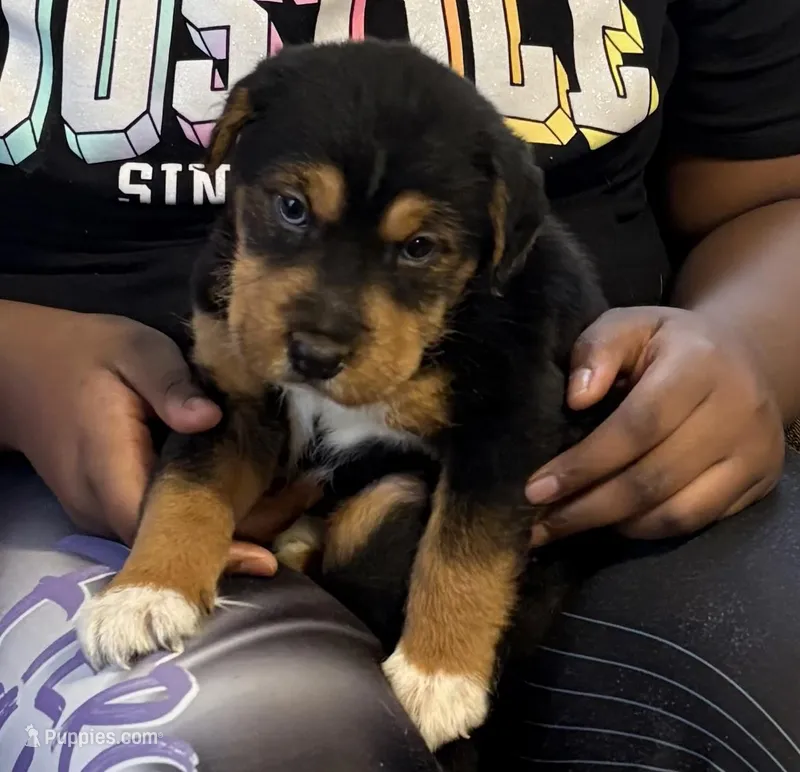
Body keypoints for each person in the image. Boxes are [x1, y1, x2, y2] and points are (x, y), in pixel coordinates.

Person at [1, 1, 800, 769]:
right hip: (56, 463)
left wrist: (747, 343)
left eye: (419, 249)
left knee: (770, 669)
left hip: (594, 480)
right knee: (267, 738)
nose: (323, 326)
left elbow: (770, 199)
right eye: (288, 208)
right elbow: (219, 424)